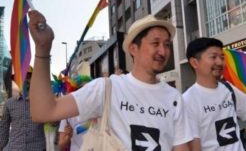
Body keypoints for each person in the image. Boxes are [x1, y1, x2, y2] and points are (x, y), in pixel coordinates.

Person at [28, 11, 192, 150]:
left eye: (167, 44)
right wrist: (43, 49)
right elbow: (43, 111)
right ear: (133, 49)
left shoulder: (174, 98)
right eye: (155, 43)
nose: (162, 51)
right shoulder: (106, 88)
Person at [0, 67, 46, 151]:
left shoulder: (42, 101)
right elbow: (4, 128)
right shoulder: (9, 103)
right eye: (21, 78)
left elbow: (52, 121)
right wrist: (1, 147)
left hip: (37, 148)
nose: (25, 80)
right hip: (14, 148)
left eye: (28, 77)